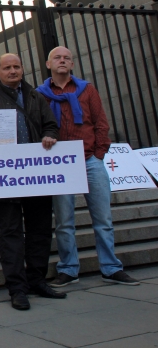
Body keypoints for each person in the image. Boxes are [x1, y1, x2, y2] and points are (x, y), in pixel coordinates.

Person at [0, 53, 65, 310]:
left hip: (36, 175)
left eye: (16, 67)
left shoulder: (35, 97)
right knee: (10, 233)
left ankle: (37, 280)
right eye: (7, 67)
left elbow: (51, 125)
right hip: (6, 178)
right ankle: (17, 288)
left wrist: (49, 136)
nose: (13, 71)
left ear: (22, 69)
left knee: (40, 230)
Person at [37, 47, 139, 287]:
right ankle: (68, 269)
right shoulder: (40, 95)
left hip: (90, 160)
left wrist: (99, 154)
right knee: (64, 222)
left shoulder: (87, 89)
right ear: (48, 64)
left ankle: (111, 268)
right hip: (60, 163)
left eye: (67, 58)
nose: (62, 61)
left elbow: (101, 122)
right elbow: (38, 125)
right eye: (57, 58)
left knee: (103, 219)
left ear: (72, 64)